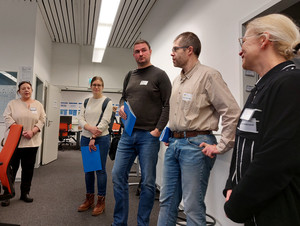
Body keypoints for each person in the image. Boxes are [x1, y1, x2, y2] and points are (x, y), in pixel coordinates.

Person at [224, 14, 300, 226]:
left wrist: (237, 204)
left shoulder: (290, 83)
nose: (240, 50)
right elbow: (244, 141)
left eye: (244, 41)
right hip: (255, 207)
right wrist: (231, 184)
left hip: (277, 210)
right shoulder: (262, 87)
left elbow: (276, 159)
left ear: (264, 40)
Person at [157, 32, 240, 226]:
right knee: (166, 201)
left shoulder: (209, 75)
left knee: (192, 205)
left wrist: (222, 145)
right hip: (174, 145)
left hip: (196, 145)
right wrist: (172, 132)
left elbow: (232, 111)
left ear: (189, 50)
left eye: (174, 49)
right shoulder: (177, 80)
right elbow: (179, 113)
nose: (171, 54)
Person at [111, 39, 172, 226]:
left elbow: (167, 104)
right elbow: (124, 96)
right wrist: (121, 106)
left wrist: (157, 130)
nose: (140, 54)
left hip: (148, 136)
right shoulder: (130, 75)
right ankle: (119, 222)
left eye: (143, 50)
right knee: (117, 175)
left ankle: (142, 223)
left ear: (150, 52)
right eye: (137, 51)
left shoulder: (160, 75)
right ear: (133, 54)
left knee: (147, 182)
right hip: (128, 134)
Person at [2, 81, 46, 206]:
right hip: (13, 143)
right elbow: (7, 117)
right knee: (10, 170)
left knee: (28, 170)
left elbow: (42, 119)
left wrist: (33, 131)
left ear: (31, 90)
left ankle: (25, 193)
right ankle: (7, 194)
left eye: (28, 88)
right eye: (23, 88)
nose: (26, 90)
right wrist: (18, 131)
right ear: (19, 91)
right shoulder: (12, 104)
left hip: (31, 143)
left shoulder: (38, 105)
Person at [78, 76, 112, 216]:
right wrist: (89, 128)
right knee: (89, 170)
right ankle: (89, 199)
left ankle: (101, 201)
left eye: (99, 85)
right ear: (91, 86)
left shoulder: (107, 102)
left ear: (102, 87)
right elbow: (80, 118)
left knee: (100, 170)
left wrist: (94, 135)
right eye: (94, 84)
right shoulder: (86, 101)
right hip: (86, 138)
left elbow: (105, 121)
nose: (96, 87)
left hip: (101, 139)